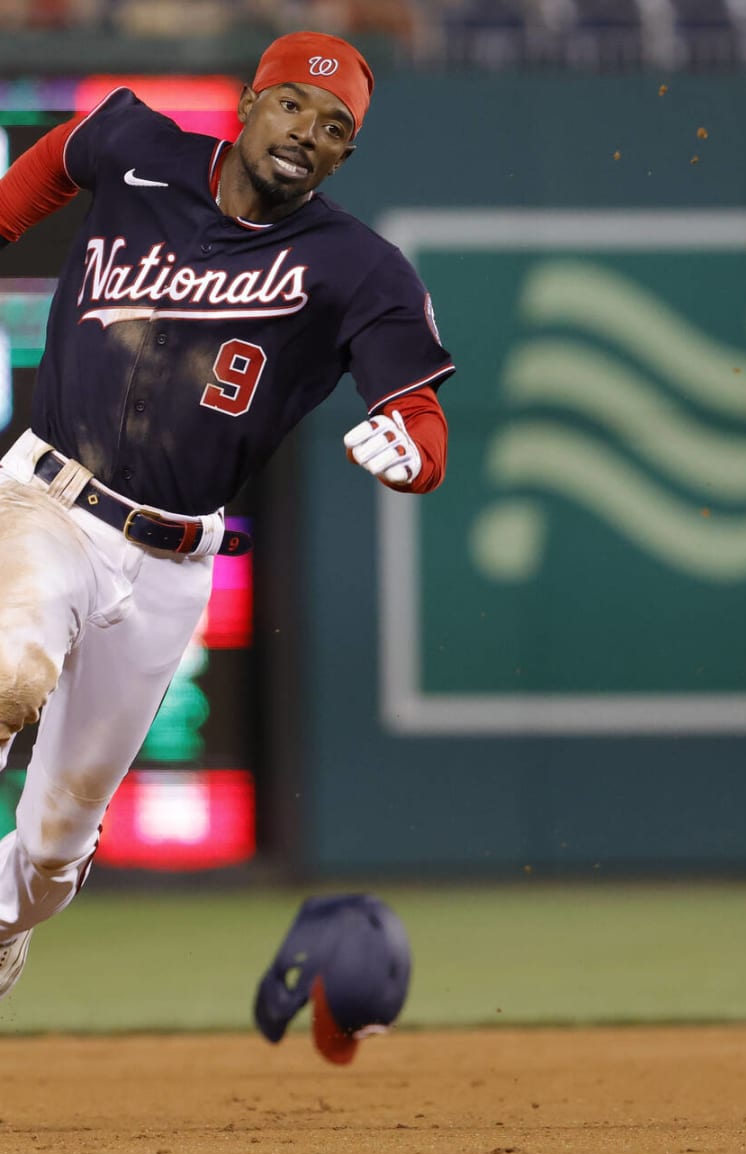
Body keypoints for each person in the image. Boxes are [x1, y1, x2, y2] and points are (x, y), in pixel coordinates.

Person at [0, 30, 454, 997]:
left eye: (333, 128)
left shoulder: (355, 267)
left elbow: (418, 413)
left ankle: (4, 928)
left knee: (49, 859)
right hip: (44, 496)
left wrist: (415, 453)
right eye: (293, 104)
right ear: (251, 103)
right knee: (8, 667)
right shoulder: (140, 146)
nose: (307, 132)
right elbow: (57, 157)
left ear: (343, 156)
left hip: (170, 563)